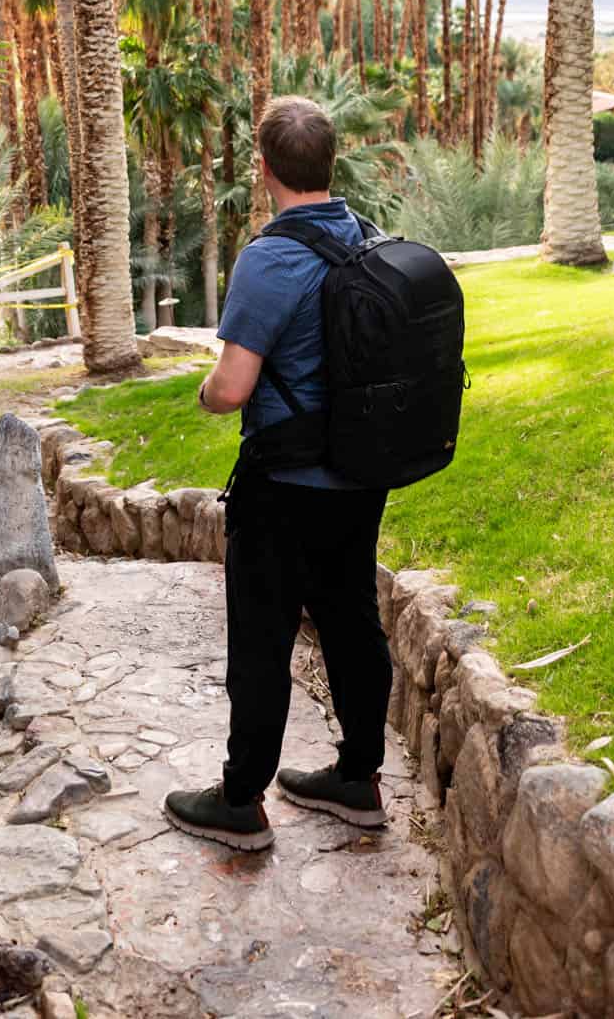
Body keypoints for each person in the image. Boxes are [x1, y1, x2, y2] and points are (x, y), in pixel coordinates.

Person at [164, 95, 393, 852]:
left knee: (261, 640)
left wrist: (201, 392)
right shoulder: (366, 239)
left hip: (284, 485)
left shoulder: (270, 258)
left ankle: (240, 800)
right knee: (352, 622)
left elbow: (230, 388)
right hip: (360, 475)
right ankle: (358, 778)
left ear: (264, 169)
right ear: (330, 164)